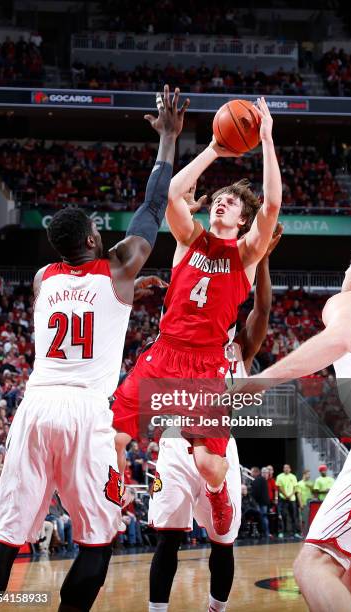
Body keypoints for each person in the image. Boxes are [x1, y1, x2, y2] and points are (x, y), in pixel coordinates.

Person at [0, 85, 189, 612]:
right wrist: (167, 139)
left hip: (35, 407)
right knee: (97, 540)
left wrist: (124, 297)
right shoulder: (119, 267)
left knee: (5, 539)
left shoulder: (41, 278)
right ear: (96, 243)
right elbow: (152, 205)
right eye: (99, 231)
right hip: (85, 411)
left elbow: (83, 304)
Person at [113, 96, 282, 538]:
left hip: (208, 364)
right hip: (167, 352)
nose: (221, 203)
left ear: (243, 219)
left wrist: (265, 140)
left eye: (230, 202)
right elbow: (170, 195)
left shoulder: (245, 254)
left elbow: (272, 208)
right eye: (219, 199)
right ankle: (115, 491)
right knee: (114, 434)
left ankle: (219, 491)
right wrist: (213, 148)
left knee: (209, 464)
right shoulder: (190, 239)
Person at [245, 240, 351, 611]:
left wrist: (259, 381)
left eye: (347, 267)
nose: (343, 274)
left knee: (312, 565)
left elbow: (337, 339)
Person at [147, 225, 282, 612]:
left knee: (222, 542)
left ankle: (215, 610)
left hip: (221, 445)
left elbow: (262, 310)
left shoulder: (239, 349)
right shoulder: (184, 338)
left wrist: (262, 258)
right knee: (167, 539)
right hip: (176, 440)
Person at [275, 464, 302, 539]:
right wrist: (286, 495)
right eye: (285, 468)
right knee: (282, 516)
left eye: (287, 468)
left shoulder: (293, 476)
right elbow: (279, 487)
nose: (286, 469)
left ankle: (295, 532)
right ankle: (281, 532)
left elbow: (295, 487)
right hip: (283, 499)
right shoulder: (279, 476)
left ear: (290, 469)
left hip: (292, 499)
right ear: (283, 469)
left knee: (293, 516)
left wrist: (290, 495)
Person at [250, 467, 271, 538]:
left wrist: (255, 501)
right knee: (264, 517)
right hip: (263, 502)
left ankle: (264, 533)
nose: (251, 473)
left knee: (262, 518)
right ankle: (266, 533)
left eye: (252, 472)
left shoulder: (258, 480)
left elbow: (255, 493)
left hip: (260, 502)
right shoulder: (262, 480)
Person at [296, 469, 314, 535]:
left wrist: (311, 487)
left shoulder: (311, 483)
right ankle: (303, 532)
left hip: (311, 503)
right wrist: (301, 503)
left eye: (309, 474)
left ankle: (310, 532)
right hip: (304, 503)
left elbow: (314, 493)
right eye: (308, 474)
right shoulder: (299, 483)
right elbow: (298, 494)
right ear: (304, 474)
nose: (309, 476)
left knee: (310, 518)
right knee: (303, 519)